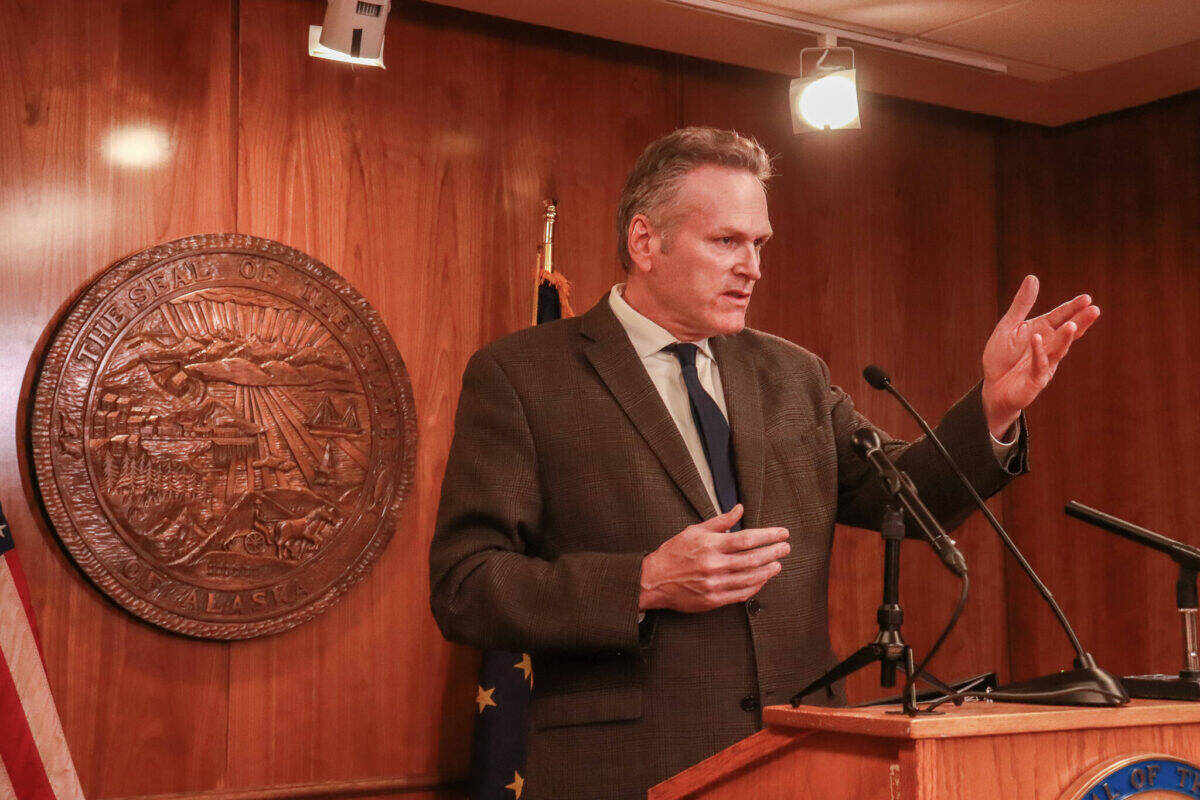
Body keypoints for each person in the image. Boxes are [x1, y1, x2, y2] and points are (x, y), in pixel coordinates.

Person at [429, 127, 1099, 800]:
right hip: (625, 769)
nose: (752, 266)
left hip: (801, 760)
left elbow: (907, 499)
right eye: (726, 241)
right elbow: (466, 585)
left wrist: (992, 410)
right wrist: (642, 581)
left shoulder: (792, 374)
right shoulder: (524, 376)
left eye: (759, 244)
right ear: (644, 242)